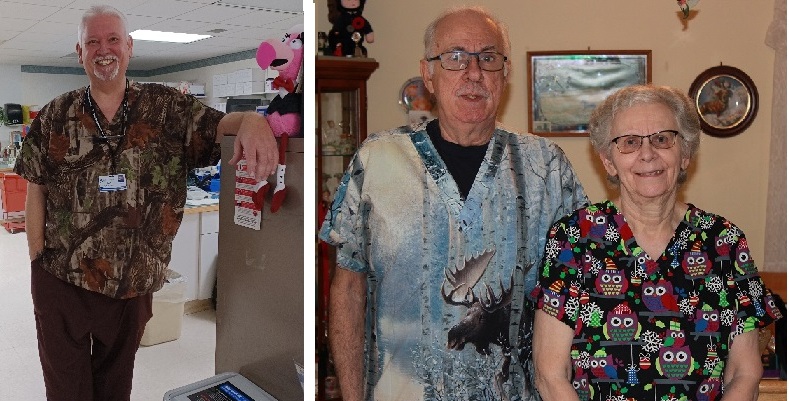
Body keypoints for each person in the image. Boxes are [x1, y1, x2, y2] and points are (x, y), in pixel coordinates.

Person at [319, 6, 588, 401]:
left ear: (505, 73)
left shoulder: (546, 168)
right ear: (428, 73)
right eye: (455, 57)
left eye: (488, 58)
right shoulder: (376, 161)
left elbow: (579, 288)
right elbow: (347, 288)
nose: (473, 72)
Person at [13, 5, 277, 400]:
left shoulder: (167, 108)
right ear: (80, 52)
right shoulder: (56, 115)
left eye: (113, 39)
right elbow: (36, 188)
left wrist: (254, 121)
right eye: (92, 42)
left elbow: (221, 126)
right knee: (66, 390)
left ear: (129, 47)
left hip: (132, 285)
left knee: (115, 387)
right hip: (62, 279)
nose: (104, 50)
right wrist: (36, 260)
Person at [532, 85, 781, 401]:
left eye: (662, 139)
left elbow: (744, 373)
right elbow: (550, 375)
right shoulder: (573, 239)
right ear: (608, 161)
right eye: (630, 142)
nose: (647, 154)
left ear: (685, 154)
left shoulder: (725, 242)